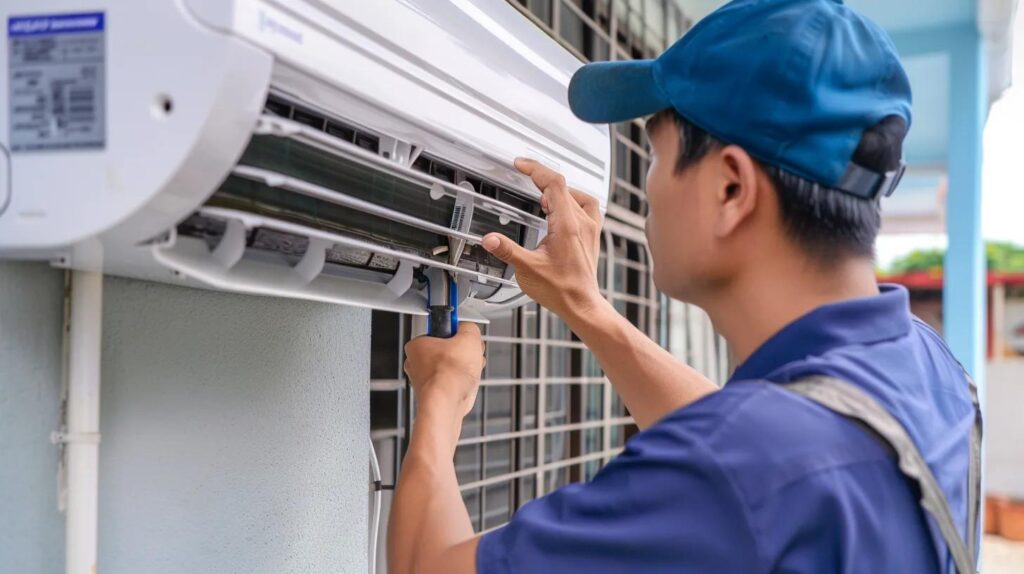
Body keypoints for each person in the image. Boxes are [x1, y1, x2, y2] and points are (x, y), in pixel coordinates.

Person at [387, 0, 981, 572]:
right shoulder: (929, 368)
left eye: (656, 160)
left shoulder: (736, 474)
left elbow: (424, 568)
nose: (646, 193)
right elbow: (768, 440)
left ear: (731, 190)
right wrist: (585, 306)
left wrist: (443, 392)